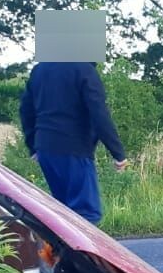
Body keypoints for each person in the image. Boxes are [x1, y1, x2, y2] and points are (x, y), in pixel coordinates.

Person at [19, 61, 127, 225]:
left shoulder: (40, 69)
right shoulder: (84, 70)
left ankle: (58, 250)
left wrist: (33, 145)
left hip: (45, 148)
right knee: (86, 214)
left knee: (64, 212)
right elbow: (99, 114)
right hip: (74, 148)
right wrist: (117, 152)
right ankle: (78, 251)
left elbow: (26, 109)